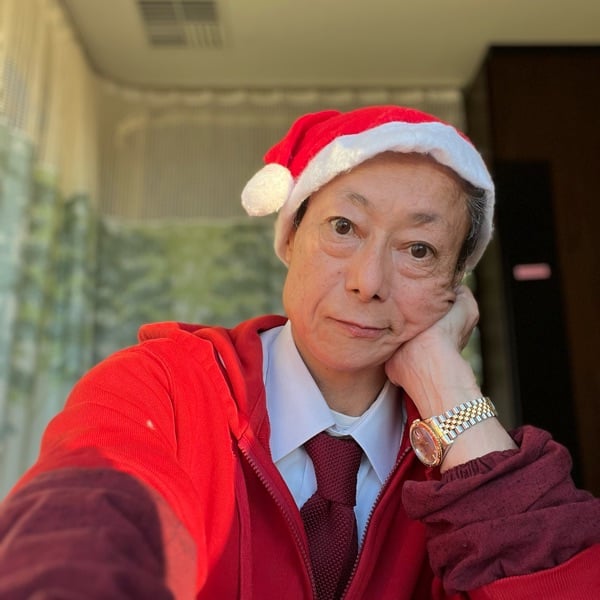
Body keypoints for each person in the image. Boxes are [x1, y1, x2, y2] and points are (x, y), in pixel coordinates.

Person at [0, 105, 598, 600]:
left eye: (419, 250)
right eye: (343, 228)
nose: (367, 281)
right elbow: (84, 524)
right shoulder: (162, 388)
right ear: (289, 236)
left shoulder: (461, 459)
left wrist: (448, 386)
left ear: (454, 286)